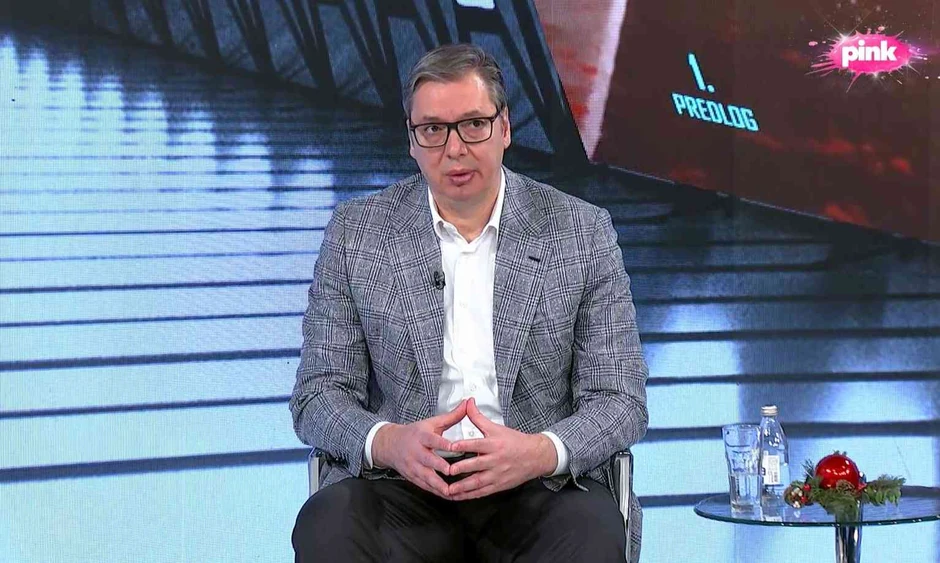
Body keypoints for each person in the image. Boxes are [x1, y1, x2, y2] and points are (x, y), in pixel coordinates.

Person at [290, 43, 648, 562]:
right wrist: (389, 442)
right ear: (411, 140)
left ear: (505, 128)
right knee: (329, 524)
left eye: (473, 125)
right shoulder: (357, 233)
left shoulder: (581, 232)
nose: (454, 148)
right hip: (400, 486)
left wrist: (540, 451)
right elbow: (318, 395)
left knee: (591, 532)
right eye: (433, 130)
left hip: (539, 488)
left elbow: (620, 400)